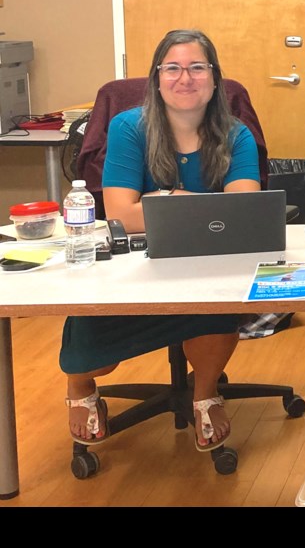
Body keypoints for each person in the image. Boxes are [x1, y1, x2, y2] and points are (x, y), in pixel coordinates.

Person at [62, 29, 261, 452]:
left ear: (214, 78)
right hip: (135, 265)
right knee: (96, 349)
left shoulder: (235, 134)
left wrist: (163, 200)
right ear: (156, 78)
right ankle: (79, 384)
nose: (184, 78)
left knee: (218, 309)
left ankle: (205, 393)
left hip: (206, 265)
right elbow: (121, 213)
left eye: (196, 67)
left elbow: (243, 214)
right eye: (172, 68)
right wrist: (195, 207)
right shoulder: (129, 127)